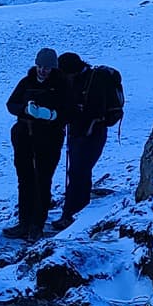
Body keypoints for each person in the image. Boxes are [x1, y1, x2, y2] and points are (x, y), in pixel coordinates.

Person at [3, 48, 72, 241]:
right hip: (24, 135)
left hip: (49, 138)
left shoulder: (61, 85)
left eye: (47, 67)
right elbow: (11, 104)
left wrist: (51, 115)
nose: (42, 70)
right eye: (40, 66)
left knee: (42, 180)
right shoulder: (26, 82)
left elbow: (68, 111)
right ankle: (24, 222)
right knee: (24, 178)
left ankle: (37, 225)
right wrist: (26, 110)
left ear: (53, 68)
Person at [52, 51, 109, 230]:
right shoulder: (81, 79)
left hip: (90, 132)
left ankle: (71, 214)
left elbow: (93, 110)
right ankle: (75, 212)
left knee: (78, 172)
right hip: (82, 132)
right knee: (79, 172)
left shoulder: (93, 82)